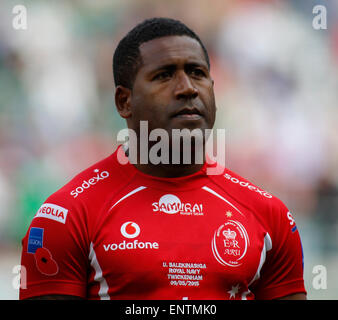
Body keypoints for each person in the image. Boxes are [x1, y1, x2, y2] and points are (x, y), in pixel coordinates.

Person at [19, 17, 306, 300]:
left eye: (197, 73)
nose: (187, 88)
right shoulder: (67, 216)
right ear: (124, 102)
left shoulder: (271, 216)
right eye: (164, 75)